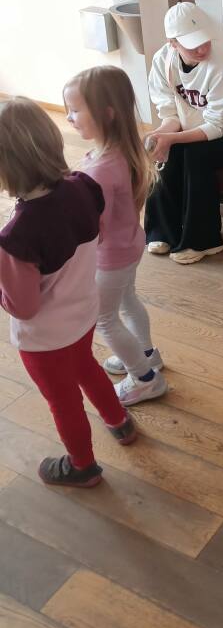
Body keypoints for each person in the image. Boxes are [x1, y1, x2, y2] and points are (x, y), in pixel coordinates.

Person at [0, 98, 136, 488]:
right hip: (84, 313)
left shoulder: (16, 238)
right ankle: (120, 422)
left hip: (45, 339)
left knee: (63, 401)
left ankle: (82, 467)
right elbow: (99, 236)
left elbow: (23, 307)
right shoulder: (83, 186)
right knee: (87, 367)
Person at [63, 67, 168, 406]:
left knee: (104, 319)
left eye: (75, 110)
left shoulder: (100, 170)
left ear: (106, 113)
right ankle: (147, 354)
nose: (69, 117)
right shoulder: (121, 150)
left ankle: (145, 379)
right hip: (129, 245)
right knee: (128, 299)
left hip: (110, 256)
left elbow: (92, 227)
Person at [145, 1, 223, 265]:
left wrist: (172, 138)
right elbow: (170, 112)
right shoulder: (163, 61)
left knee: (195, 155)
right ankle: (162, 230)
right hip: (196, 124)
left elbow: (219, 126)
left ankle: (205, 240)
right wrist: (161, 135)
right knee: (166, 150)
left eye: (204, 40)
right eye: (192, 44)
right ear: (173, 43)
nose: (201, 49)